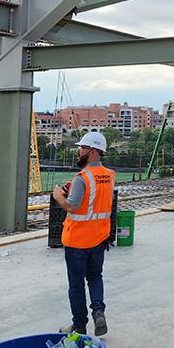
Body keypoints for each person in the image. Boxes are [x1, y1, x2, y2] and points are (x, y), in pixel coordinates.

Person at [52, 131, 115, 336]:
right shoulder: (109, 176)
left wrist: (59, 196)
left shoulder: (82, 178)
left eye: (82, 147)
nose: (78, 151)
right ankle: (98, 312)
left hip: (78, 241)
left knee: (76, 285)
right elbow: (95, 199)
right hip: (99, 239)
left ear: (93, 151)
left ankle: (79, 325)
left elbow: (72, 206)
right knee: (95, 277)